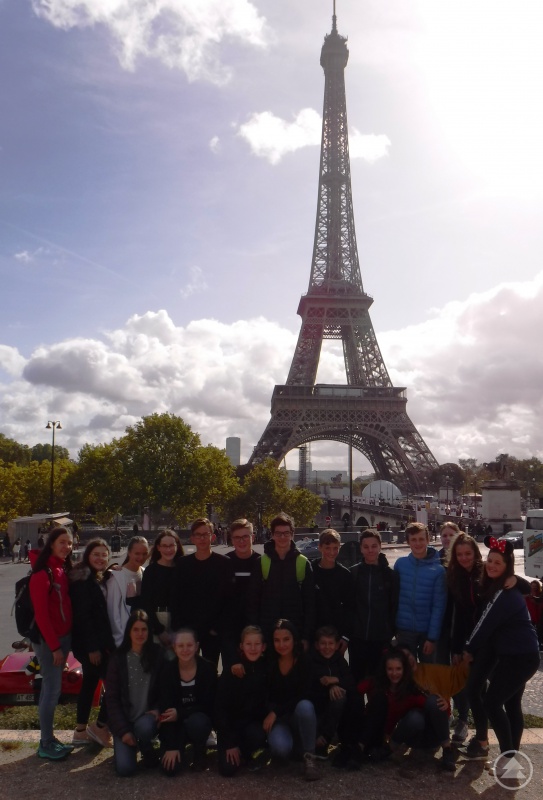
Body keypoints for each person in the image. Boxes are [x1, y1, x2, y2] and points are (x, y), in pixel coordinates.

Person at [463, 537, 539, 776]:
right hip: (519, 655)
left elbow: (485, 625)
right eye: (490, 561)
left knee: (492, 703)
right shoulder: (501, 587)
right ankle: (511, 762)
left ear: (507, 566)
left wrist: (468, 648)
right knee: (511, 705)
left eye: (498, 562)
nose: (492, 565)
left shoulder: (504, 592)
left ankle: (508, 761)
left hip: (518, 657)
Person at [337, 647, 426, 769]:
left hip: (379, 735)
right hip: (364, 728)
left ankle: (359, 749)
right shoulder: (376, 682)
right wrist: (335, 685)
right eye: (390, 669)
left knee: (380, 699)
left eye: (398, 669)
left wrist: (441, 702)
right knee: (359, 697)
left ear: (404, 669)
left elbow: (430, 706)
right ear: (385, 669)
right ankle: (353, 747)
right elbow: (353, 690)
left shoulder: (410, 691)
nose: (394, 673)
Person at [29, 526, 75, 760]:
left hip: (62, 638)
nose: (67, 547)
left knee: (51, 688)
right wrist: (55, 647)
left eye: (69, 542)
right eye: (62, 542)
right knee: (51, 690)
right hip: (51, 642)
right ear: (51, 544)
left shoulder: (60, 567)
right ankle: (45, 742)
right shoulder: (42, 573)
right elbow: (42, 616)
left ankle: (49, 738)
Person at [69, 538, 115, 747]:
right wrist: (92, 648)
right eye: (96, 554)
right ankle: (100, 726)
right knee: (115, 684)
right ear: (88, 555)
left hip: (93, 643)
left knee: (89, 683)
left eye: (104, 555)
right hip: (91, 645)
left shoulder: (95, 577)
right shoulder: (83, 581)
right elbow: (83, 617)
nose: (100, 558)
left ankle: (80, 731)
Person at [170, 518, 234, 666]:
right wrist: (179, 628)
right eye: (198, 535)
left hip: (213, 630)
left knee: (210, 673)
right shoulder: (182, 564)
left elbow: (229, 599)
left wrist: (216, 628)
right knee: (186, 670)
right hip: (188, 631)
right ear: (192, 538)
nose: (202, 538)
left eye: (206, 534)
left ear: (212, 536)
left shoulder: (224, 563)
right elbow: (176, 598)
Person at [106, 610, 163, 777]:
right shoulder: (117, 659)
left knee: (144, 728)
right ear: (129, 632)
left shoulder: (158, 654)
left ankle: (146, 746)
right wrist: (123, 731)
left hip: (147, 719)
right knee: (126, 769)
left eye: (144, 629)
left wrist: (159, 708)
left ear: (149, 631)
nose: (140, 634)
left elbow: (167, 688)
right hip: (125, 720)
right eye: (135, 629)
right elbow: (111, 699)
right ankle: (131, 745)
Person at [263, 619, 320, 781]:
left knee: (305, 706)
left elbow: (304, 694)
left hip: (296, 715)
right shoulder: (269, 661)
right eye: (277, 640)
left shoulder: (304, 661)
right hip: (278, 719)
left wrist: (276, 711)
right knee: (281, 750)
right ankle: (296, 747)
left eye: (286, 639)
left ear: (295, 640)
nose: (282, 644)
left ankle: (310, 758)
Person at [247, 513, 316, 649]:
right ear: (272, 535)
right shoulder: (262, 562)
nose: (283, 537)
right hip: (268, 633)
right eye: (278, 533)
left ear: (292, 534)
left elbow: (310, 604)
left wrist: (306, 637)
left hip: (295, 633)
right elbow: (253, 602)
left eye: (286, 533)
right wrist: (257, 634)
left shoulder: (303, 563)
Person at [158, 628, 217, 775]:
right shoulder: (167, 672)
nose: (185, 649)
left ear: (196, 646)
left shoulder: (208, 669)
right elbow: (165, 710)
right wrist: (171, 746)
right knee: (170, 770)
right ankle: (177, 747)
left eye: (189, 645)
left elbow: (209, 706)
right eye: (180, 646)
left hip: (198, 721)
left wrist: (181, 712)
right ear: (174, 647)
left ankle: (199, 751)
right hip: (175, 725)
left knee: (198, 721)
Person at [215, 625, 269, 776]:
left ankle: (245, 754)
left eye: (257, 644)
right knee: (228, 771)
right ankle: (233, 750)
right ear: (241, 646)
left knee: (258, 733)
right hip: (229, 728)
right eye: (248, 644)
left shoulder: (266, 669)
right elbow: (220, 710)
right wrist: (230, 743)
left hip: (250, 727)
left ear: (263, 647)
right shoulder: (232, 670)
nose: (253, 648)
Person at [349, 530, 398, 681]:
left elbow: (394, 606)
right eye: (366, 546)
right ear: (361, 548)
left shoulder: (390, 575)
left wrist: (390, 633)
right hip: (357, 639)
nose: (370, 550)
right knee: (357, 683)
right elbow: (348, 606)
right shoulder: (353, 573)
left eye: (374, 546)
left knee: (379, 685)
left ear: (380, 547)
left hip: (381, 639)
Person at [394, 522, 446, 663]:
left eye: (421, 539)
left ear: (428, 540)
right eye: (414, 540)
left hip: (427, 631)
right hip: (404, 629)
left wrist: (432, 637)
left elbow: (438, 606)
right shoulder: (400, 564)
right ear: (408, 542)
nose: (418, 543)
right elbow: (394, 598)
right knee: (405, 672)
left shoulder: (439, 571)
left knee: (427, 674)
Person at [309, 625, 357, 758]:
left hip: (332, 710)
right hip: (315, 708)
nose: (327, 647)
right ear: (317, 645)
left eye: (331, 643)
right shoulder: (311, 661)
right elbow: (312, 683)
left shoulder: (340, 661)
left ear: (337, 645)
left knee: (340, 696)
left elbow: (351, 682)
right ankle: (315, 739)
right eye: (323, 643)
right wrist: (328, 686)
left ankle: (326, 739)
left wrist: (335, 681)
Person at [224, 520, 261, 667]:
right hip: (230, 630)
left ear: (252, 537)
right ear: (231, 539)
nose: (242, 541)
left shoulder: (262, 562)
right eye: (237, 537)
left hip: (255, 628)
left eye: (245, 536)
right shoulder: (224, 562)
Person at [311, 529, 353, 654]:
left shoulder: (345, 574)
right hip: (314, 634)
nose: (332, 552)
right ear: (319, 547)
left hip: (336, 636)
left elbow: (349, 607)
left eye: (335, 548)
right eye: (328, 548)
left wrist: (345, 637)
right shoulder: (310, 571)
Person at [140, 530, 184, 646]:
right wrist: (159, 630)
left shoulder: (183, 569)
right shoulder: (151, 571)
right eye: (164, 546)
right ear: (158, 548)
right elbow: (146, 602)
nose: (168, 550)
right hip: (157, 621)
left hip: (179, 622)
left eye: (171, 545)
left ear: (177, 546)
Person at [106, 536, 149, 647]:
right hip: (124, 639)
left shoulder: (146, 573)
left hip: (142, 638)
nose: (141, 557)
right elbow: (113, 612)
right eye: (137, 553)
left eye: (144, 554)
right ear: (129, 553)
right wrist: (120, 642)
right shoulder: (116, 577)